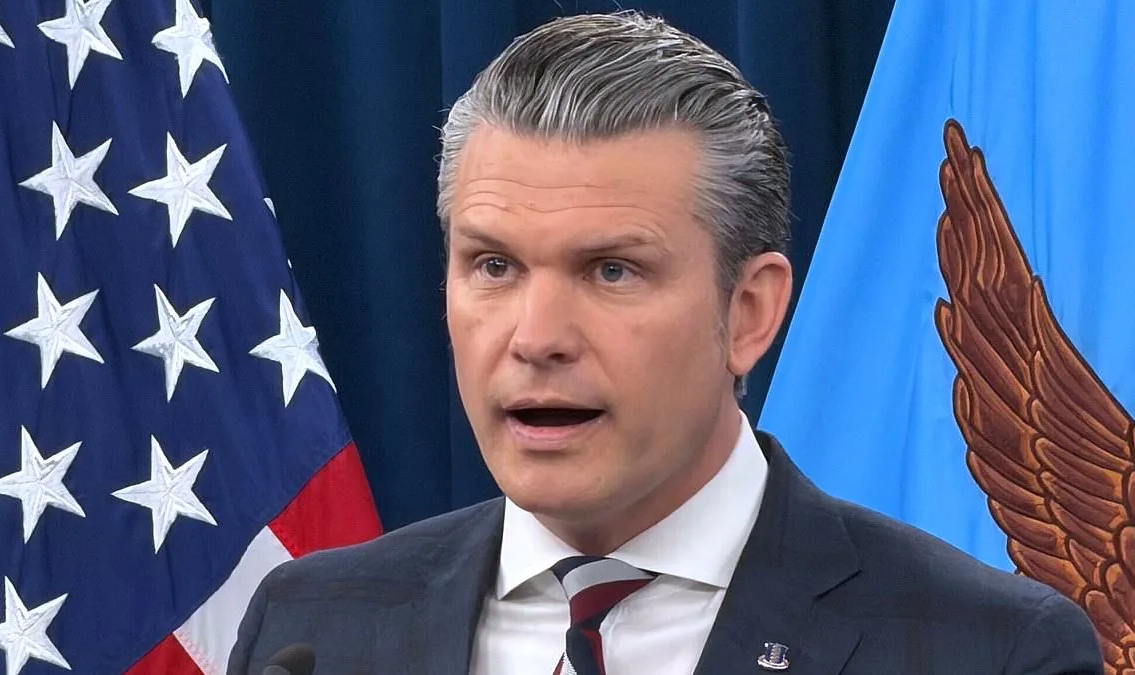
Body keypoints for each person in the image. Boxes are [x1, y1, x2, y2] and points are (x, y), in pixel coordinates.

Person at [227, 10, 1102, 675]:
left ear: (749, 312)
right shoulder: (310, 628)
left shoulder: (990, 649)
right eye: (494, 265)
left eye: (612, 270)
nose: (536, 338)